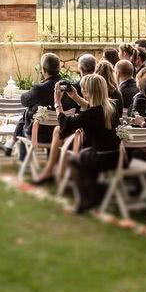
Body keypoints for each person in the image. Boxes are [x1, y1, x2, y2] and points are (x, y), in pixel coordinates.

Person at [61, 75, 123, 213]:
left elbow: (65, 125)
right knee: (84, 155)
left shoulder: (92, 114)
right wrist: (75, 97)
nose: (82, 90)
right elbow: (92, 110)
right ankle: (96, 191)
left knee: (74, 161)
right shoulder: (111, 106)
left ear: (89, 91)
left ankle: (86, 199)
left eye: (83, 88)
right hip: (118, 156)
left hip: (102, 158)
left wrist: (57, 103)